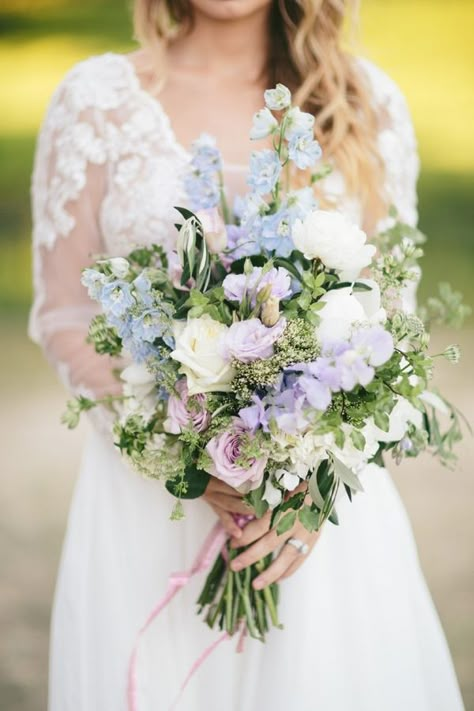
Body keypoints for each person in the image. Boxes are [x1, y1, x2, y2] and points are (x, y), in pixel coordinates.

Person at [29, 1, 465, 709]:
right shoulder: (96, 103)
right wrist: (187, 451)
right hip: (150, 510)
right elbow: (66, 315)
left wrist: (313, 489)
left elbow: (391, 327)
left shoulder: (368, 102)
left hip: (312, 528)